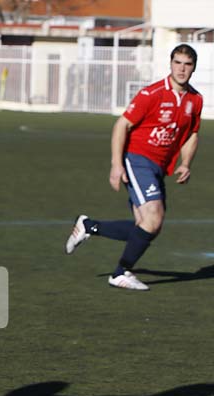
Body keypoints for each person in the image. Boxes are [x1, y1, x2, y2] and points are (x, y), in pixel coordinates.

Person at [66, 44, 203, 290]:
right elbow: (121, 125)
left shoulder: (195, 99)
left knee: (148, 226)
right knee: (153, 219)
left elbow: (192, 133)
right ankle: (120, 273)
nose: (182, 69)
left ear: (193, 67)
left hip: (159, 166)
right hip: (137, 158)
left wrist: (185, 163)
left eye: (187, 64)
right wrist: (116, 164)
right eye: (178, 63)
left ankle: (88, 226)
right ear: (170, 64)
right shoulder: (151, 94)